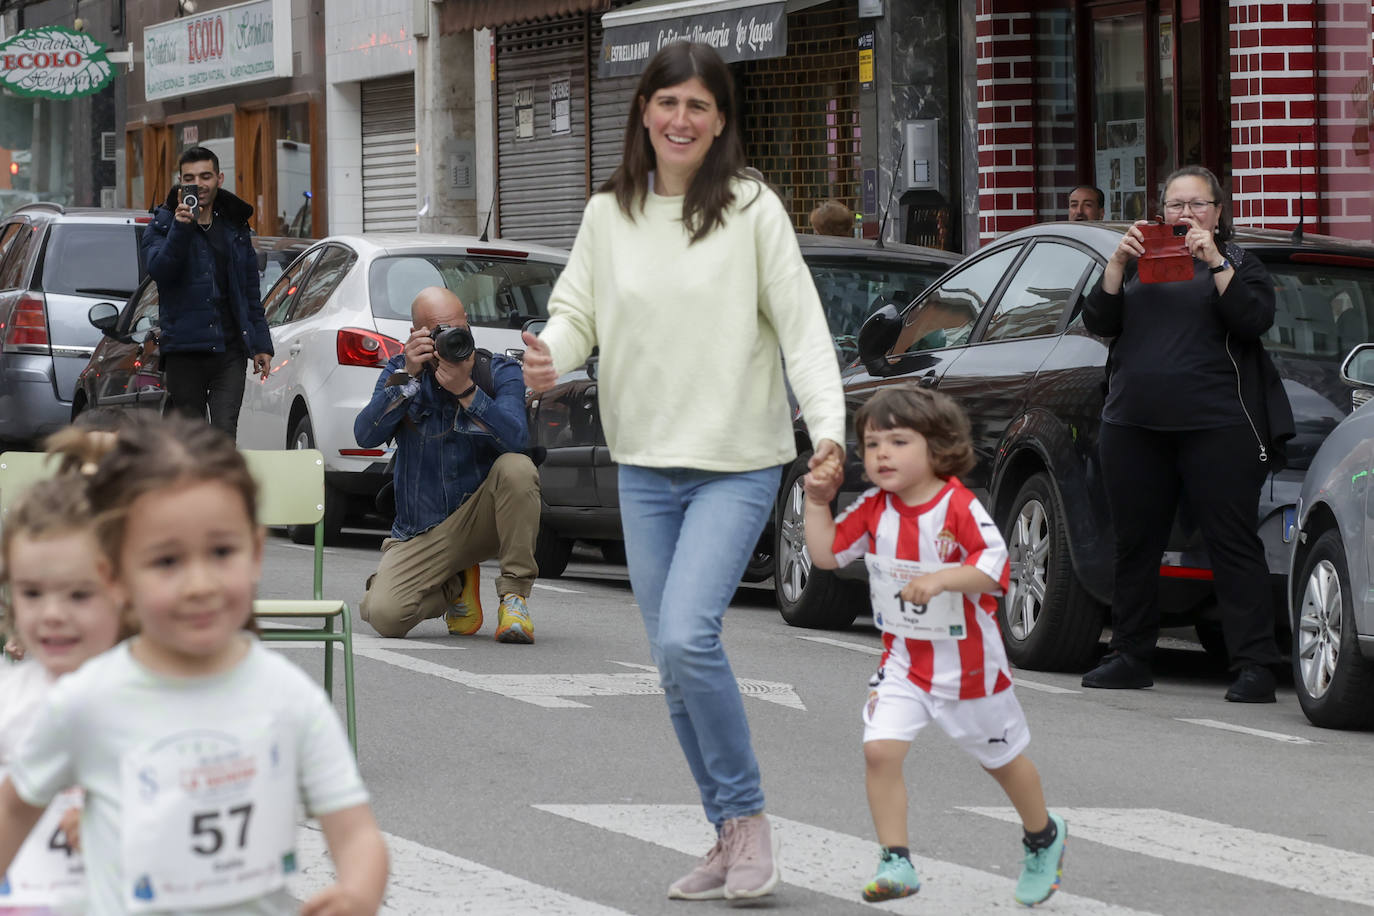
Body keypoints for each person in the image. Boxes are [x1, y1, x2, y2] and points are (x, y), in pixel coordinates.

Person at [520, 41, 846, 902]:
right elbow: (574, 315)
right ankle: (728, 832)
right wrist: (548, 357)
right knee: (671, 663)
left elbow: (805, 329)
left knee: (686, 637)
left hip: (735, 462)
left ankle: (750, 821)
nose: (680, 119)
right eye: (668, 102)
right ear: (644, 110)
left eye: (699, 105)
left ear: (721, 122)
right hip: (643, 465)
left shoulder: (752, 209)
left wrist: (829, 429)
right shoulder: (609, 213)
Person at [0, 413, 389, 915]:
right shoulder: (87, 699)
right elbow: (14, 808)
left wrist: (358, 892)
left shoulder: (287, 697)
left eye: (221, 551)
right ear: (115, 575)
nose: (199, 583)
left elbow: (356, 831)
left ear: (254, 551)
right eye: (167, 561)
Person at [803, 385, 1067, 906]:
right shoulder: (873, 509)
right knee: (879, 750)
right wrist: (816, 502)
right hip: (903, 660)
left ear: (937, 447)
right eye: (873, 443)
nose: (882, 454)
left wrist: (944, 579)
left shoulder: (959, 507)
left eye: (899, 441)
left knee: (1003, 760)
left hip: (969, 667)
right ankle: (895, 860)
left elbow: (994, 568)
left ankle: (1043, 835)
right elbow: (829, 554)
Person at [1079, 164, 1294, 702]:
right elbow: (1099, 322)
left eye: (1198, 205)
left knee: (1233, 543)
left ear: (1218, 214)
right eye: (1176, 205)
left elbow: (1252, 319)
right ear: (1161, 212)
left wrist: (1215, 261)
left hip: (1217, 427)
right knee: (1135, 544)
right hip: (1133, 426)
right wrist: (1117, 261)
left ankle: (1254, 667)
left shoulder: (1239, 263)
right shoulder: (1137, 263)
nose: (1186, 215)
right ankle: (1130, 654)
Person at [354, 286, 539, 643]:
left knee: (517, 468)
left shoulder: (498, 370)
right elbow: (365, 435)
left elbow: (518, 440)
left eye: (458, 329)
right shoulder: (400, 373)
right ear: (417, 334)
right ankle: (455, 585)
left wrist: (466, 390)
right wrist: (407, 376)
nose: (453, 339)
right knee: (383, 615)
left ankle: (514, 597)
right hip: (423, 530)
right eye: (440, 332)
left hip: (483, 518)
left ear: (467, 324)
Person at [0, 473, 128, 914]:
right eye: (32, 593)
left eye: (78, 594)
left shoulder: (148, 698)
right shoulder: (9, 699)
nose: (52, 614)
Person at [141, 146, 273, 438]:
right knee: (191, 439)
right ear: (179, 182)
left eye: (206, 176)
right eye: (190, 178)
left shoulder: (235, 228)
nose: (199, 184)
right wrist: (180, 227)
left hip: (229, 351)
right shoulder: (162, 226)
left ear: (219, 179)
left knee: (225, 433)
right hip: (183, 352)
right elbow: (161, 271)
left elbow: (249, 291)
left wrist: (261, 343)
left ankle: (221, 485)